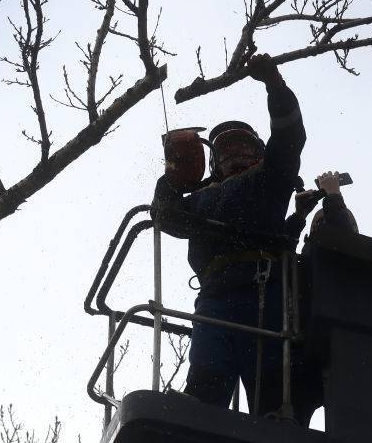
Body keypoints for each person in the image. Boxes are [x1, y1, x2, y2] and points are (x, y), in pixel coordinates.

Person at [152, 53, 306, 417]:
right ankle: (198, 416)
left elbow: (289, 137)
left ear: (258, 154)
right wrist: (172, 178)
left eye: (244, 147)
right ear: (213, 162)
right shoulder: (202, 198)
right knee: (207, 376)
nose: (235, 153)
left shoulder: (270, 180)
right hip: (216, 294)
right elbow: (168, 220)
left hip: (264, 292)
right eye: (226, 150)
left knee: (270, 379)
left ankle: (278, 415)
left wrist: (274, 84)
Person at [288, 170, 359, 427]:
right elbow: (281, 244)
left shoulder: (349, 255)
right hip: (307, 346)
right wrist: (299, 215)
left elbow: (342, 235)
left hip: (334, 345)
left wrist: (332, 196)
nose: (322, 226)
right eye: (318, 224)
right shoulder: (304, 259)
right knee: (297, 415)